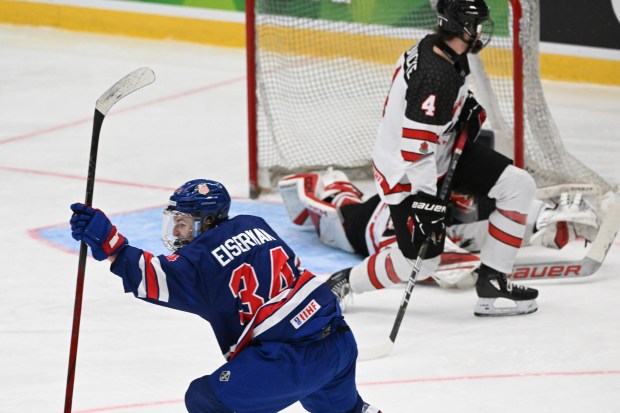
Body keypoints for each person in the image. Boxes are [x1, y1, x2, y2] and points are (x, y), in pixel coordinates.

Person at [69, 179, 381, 413]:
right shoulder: (254, 224)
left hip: (290, 359)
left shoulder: (198, 261)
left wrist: (109, 242)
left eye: (182, 222)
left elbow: (151, 277)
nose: (176, 232)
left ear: (206, 221)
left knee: (206, 399)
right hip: (338, 342)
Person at [347, 0, 537, 317]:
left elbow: (436, 115)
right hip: (406, 173)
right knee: (420, 263)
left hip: (440, 150)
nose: (478, 32)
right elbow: (415, 149)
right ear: (458, 26)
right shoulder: (435, 76)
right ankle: (347, 282)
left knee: (518, 185)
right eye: (474, 26)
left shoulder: (441, 50)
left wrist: (466, 108)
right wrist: (426, 200)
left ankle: (492, 281)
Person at [278, 169, 599, 306]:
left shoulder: (355, 220)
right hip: (403, 224)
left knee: (468, 220)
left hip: (400, 223)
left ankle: (544, 219)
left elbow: (449, 271)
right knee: (473, 222)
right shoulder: (355, 218)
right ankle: (543, 219)